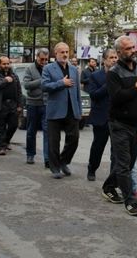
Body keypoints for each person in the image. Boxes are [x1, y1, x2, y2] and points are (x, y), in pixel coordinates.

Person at [101, 35, 137, 217]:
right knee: (123, 164)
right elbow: (116, 97)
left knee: (128, 163)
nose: (132, 51)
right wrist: (135, 89)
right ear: (119, 52)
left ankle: (108, 186)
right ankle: (130, 201)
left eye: (133, 47)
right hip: (119, 124)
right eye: (128, 49)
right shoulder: (113, 73)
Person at [41, 42, 82, 179]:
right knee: (54, 141)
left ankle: (64, 161)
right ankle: (55, 168)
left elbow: (77, 92)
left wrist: (79, 110)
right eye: (62, 52)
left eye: (67, 52)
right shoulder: (48, 68)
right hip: (55, 110)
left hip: (72, 109)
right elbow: (44, 86)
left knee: (74, 139)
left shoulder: (74, 70)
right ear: (56, 54)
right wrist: (61, 83)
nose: (65, 54)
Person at [86, 48, 118, 181]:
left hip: (117, 118)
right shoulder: (95, 76)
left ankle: (113, 177)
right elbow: (93, 95)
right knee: (98, 147)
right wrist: (108, 84)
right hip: (101, 118)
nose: (114, 60)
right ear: (104, 60)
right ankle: (92, 168)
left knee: (116, 151)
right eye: (111, 57)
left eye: (116, 57)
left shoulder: (120, 75)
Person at [0, 56, 22, 155]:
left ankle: (6, 141)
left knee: (13, 125)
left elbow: (19, 91)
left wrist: (19, 105)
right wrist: (5, 81)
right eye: (4, 64)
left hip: (12, 104)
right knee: (0, 127)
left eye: (8, 64)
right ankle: (2, 147)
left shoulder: (14, 76)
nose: (6, 66)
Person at [23, 48, 50, 166]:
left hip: (46, 104)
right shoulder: (30, 68)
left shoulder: (49, 68)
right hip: (33, 104)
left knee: (47, 131)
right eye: (41, 59)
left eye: (46, 59)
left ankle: (47, 158)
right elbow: (27, 85)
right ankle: (30, 154)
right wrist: (41, 80)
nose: (44, 61)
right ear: (36, 57)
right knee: (31, 131)